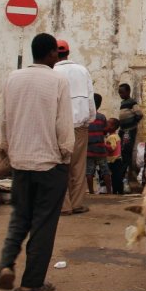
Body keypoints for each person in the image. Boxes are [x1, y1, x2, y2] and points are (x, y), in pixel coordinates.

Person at [0, 32, 74, 291]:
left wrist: (7, 149)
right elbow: (63, 125)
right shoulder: (58, 81)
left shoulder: (12, 79)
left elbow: (4, 119)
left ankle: (6, 266)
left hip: (20, 162)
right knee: (43, 223)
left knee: (19, 218)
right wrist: (66, 154)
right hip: (49, 163)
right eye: (56, 52)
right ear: (52, 53)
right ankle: (32, 281)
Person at [54, 40, 95, 216]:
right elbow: (90, 99)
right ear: (68, 52)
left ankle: (64, 206)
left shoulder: (52, 72)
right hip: (80, 126)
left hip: (59, 127)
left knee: (60, 165)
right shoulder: (82, 70)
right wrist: (90, 119)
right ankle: (77, 204)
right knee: (78, 166)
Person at [85, 94, 111, 196]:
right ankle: (109, 191)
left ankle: (91, 192)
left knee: (89, 172)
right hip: (100, 149)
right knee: (105, 170)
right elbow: (105, 131)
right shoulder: (102, 117)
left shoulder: (86, 118)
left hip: (89, 149)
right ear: (99, 104)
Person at [117, 83, 143, 187]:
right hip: (124, 130)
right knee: (123, 151)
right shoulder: (123, 103)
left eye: (122, 92)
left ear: (128, 92)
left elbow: (139, 114)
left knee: (126, 150)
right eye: (119, 92)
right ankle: (124, 172)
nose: (120, 94)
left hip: (129, 130)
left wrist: (133, 123)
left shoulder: (132, 102)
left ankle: (125, 173)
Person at [104, 118, 125, 195]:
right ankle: (119, 191)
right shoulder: (116, 136)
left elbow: (112, 147)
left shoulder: (111, 137)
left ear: (112, 127)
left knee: (115, 177)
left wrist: (104, 144)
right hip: (117, 159)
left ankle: (116, 192)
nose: (106, 123)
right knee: (117, 177)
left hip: (114, 160)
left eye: (108, 123)